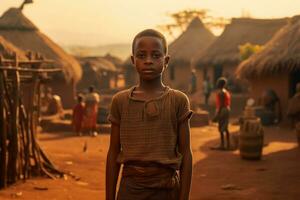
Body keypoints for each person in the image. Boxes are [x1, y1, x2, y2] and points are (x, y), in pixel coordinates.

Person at [106, 29, 193, 200]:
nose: (148, 61)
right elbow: (113, 152)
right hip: (130, 190)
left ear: (165, 60)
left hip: (166, 191)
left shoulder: (178, 100)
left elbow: (186, 154)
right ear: (133, 60)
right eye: (141, 55)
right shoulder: (120, 101)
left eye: (155, 55)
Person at [212, 77, 231, 150]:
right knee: (225, 127)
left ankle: (222, 145)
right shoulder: (226, 91)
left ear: (219, 84)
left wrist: (217, 115)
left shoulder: (220, 92)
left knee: (221, 127)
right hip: (227, 109)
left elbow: (221, 104)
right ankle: (228, 145)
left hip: (222, 110)